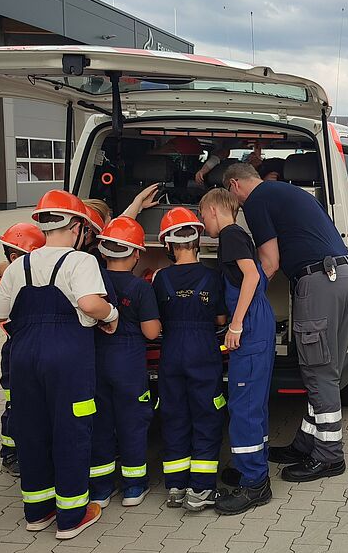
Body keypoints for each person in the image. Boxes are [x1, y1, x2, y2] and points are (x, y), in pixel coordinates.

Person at [0, 190, 117, 540]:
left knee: (31, 430)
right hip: (68, 358)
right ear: (76, 226)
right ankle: (72, 514)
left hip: (24, 356)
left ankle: (37, 511)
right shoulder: (81, 262)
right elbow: (91, 304)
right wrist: (111, 314)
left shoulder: (20, 265)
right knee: (70, 430)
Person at [223, 162, 348, 483]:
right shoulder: (284, 190)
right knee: (327, 366)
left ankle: (329, 456)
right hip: (342, 274)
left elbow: (269, 263)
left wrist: (245, 309)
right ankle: (306, 444)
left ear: (234, 186)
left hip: (318, 282)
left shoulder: (256, 201)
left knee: (317, 369)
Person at [199, 188, 274, 514]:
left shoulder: (229, 236)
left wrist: (236, 324)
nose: (203, 223)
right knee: (253, 402)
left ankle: (255, 484)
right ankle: (250, 466)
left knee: (243, 405)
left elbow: (252, 276)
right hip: (259, 323)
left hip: (252, 328)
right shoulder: (239, 235)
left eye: (202, 215)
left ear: (214, 210)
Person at [152, 207, 227, 511]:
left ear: (168, 245)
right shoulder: (213, 277)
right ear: (198, 240)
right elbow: (221, 317)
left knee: (174, 416)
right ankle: (202, 489)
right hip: (203, 350)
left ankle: (176, 487)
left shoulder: (160, 279)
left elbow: (155, 322)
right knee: (207, 416)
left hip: (171, 351)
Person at [89, 217, 161, 509]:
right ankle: (133, 487)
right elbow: (151, 332)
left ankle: (101, 490)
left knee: (100, 423)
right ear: (136, 254)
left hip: (96, 360)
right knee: (132, 422)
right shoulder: (141, 288)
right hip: (129, 363)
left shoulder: (92, 283)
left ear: (104, 253)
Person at [0, 223, 46, 476]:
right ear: (15, 258)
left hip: (25, 349)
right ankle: (10, 453)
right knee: (14, 406)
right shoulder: (1, 285)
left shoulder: (12, 275)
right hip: (14, 352)